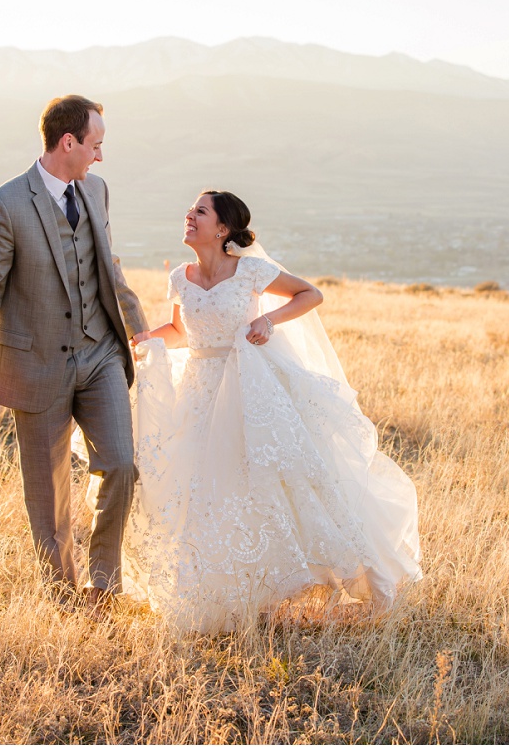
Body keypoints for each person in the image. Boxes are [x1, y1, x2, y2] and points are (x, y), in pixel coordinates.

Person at [123, 190, 423, 632]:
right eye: (191, 209)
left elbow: (310, 293)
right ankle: (225, 595)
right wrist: (146, 338)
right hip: (199, 393)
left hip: (248, 386)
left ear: (222, 229)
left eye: (200, 211)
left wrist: (267, 321)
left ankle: (371, 580)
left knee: (283, 481)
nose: (189, 215)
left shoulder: (251, 271)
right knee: (204, 490)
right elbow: (180, 331)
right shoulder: (181, 278)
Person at [0, 95, 147, 611]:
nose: (100, 157)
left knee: (122, 464)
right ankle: (63, 597)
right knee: (48, 494)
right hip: (37, 361)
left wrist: (139, 329)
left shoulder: (97, 190)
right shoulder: (4, 204)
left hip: (101, 354)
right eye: (96, 145)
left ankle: (105, 584)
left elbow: (107, 266)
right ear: (69, 143)